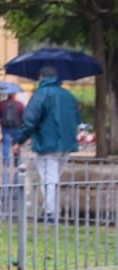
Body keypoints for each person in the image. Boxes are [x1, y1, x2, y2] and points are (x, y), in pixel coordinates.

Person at [21, 66, 81, 222]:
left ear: (42, 77)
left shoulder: (41, 94)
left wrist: (20, 140)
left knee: (48, 178)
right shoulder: (68, 95)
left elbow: (30, 120)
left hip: (47, 143)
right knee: (54, 177)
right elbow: (77, 119)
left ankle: (50, 212)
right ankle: (51, 209)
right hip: (67, 144)